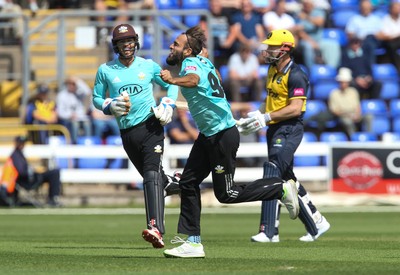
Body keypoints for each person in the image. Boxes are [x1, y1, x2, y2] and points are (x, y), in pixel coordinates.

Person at [158, 26, 300, 258]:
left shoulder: (189, 65)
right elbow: (216, 79)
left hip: (221, 135)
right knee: (188, 182)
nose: (171, 46)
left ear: (187, 51)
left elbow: (193, 80)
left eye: (176, 44)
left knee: (227, 194)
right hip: (210, 134)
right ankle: (193, 243)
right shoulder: (205, 63)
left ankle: (280, 188)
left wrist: (172, 79)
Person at [92, 23, 181, 249]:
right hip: (127, 132)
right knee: (157, 181)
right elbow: (96, 98)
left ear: (136, 42)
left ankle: (156, 229)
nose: (127, 45)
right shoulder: (106, 70)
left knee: (150, 177)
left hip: (151, 127)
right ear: (116, 45)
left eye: (130, 40)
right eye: (122, 42)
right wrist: (109, 105)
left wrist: (168, 104)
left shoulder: (148, 66)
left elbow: (170, 83)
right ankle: (181, 183)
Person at [238, 29, 330, 243]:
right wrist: (256, 116)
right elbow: (271, 100)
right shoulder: (272, 69)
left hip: (289, 128)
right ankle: (316, 221)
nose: (267, 50)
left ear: (285, 49)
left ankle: (268, 230)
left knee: (273, 171)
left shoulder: (296, 74)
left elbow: (295, 108)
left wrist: (266, 117)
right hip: (274, 127)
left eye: (272, 47)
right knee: (287, 177)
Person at [2, 136, 62, 207]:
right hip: (28, 180)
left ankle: (53, 198)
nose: (22, 145)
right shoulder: (16, 155)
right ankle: (53, 198)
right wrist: (31, 172)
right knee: (54, 173)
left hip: (30, 178)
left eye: (23, 143)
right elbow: (22, 172)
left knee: (54, 172)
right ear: (17, 143)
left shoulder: (18, 154)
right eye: (21, 143)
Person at [56, 76, 92, 144]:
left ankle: (87, 143)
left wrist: (78, 81)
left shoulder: (80, 93)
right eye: (69, 83)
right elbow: (60, 112)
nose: (71, 86)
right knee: (75, 124)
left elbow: (88, 91)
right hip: (68, 119)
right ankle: (74, 144)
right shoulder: (61, 95)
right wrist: (70, 115)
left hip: (81, 118)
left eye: (73, 84)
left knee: (87, 124)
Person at [345, 0, 382, 65]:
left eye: (367, 8)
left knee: (370, 40)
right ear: (360, 8)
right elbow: (350, 34)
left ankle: (369, 66)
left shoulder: (377, 19)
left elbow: (381, 34)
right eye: (364, 8)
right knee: (368, 43)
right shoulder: (354, 19)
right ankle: (369, 66)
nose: (366, 10)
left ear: (371, 8)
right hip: (360, 41)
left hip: (374, 41)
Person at [375, 1, 400, 73]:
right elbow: (384, 36)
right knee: (391, 46)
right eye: (396, 7)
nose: (398, 9)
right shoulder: (386, 20)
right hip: (391, 42)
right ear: (391, 9)